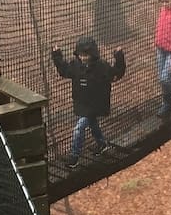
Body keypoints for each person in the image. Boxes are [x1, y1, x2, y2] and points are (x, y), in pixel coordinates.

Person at [51, 36, 126, 168]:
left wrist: (119, 57)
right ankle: (102, 144)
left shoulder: (101, 67)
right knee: (92, 123)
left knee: (79, 128)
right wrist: (57, 55)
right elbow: (63, 70)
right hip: (82, 103)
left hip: (96, 104)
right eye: (81, 55)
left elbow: (116, 73)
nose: (84, 58)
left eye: (87, 55)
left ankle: (74, 156)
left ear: (93, 54)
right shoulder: (75, 66)